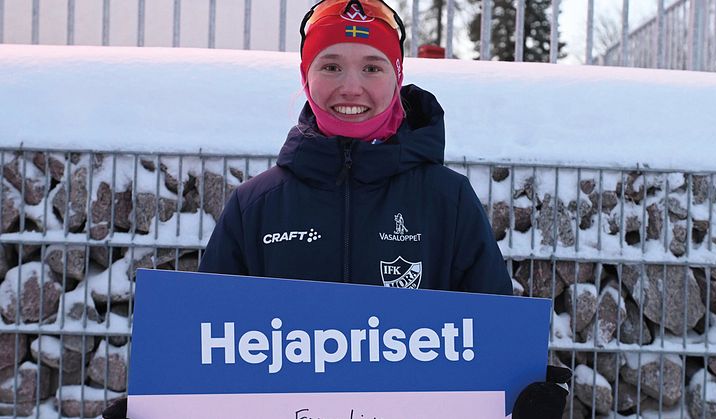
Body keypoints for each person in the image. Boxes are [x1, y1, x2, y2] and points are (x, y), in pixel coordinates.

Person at [104, 1, 569, 418]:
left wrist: (519, 400)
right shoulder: (255, 206)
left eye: (372, 67)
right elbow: (205, 348)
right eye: (331, 66)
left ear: (398, 75)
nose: (351, 88)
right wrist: (161, 405)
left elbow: (488, 343)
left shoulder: (448, 200)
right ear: (306, 76)